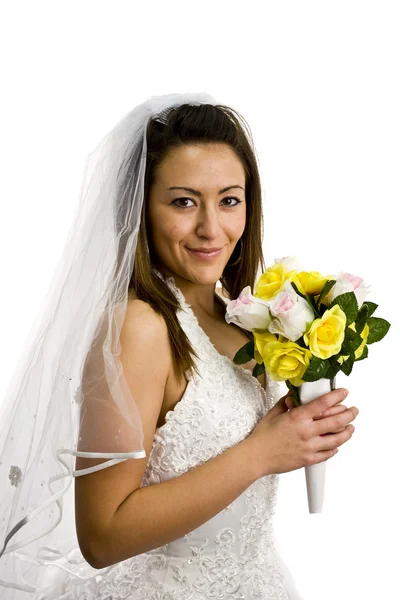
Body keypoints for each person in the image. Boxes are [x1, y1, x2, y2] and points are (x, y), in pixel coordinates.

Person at [0, 92, 358, 599]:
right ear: (141, 208)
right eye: (184, 201)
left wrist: (302, 428)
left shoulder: (238, 310)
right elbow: (101, 536)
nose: (212, 228)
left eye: (229, 200)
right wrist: (262, 452)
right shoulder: (140, 327)